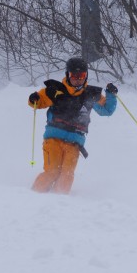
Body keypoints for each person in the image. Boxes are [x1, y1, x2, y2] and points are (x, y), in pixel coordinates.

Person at [28, 57, 118, 194]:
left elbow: (107, 110)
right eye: (74, 76)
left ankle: (60, 201)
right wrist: (34, 98)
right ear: (67, 75)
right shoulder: (56, 90)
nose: (77, 79)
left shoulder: (90, 94)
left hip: (74, 143)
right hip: (53, 139)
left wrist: (111, 95)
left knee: (67, 174)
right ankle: (33, 195)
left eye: (81, 76)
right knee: (52, 171)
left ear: (86, 76)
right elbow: (38, 102)